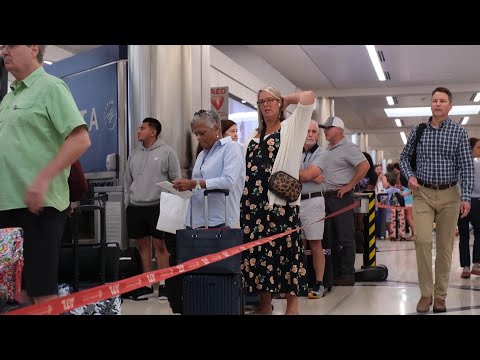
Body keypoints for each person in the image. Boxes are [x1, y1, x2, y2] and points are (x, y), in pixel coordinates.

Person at [0, 45, 91, 304]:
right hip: (7, 207)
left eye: (10, 45)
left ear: (33, 48)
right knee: (19, 294)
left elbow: (80, 140)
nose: (3, 51)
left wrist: (43, 178)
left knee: (42, 294)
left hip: (38, 208)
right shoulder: (8, 98)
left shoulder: (51, 87)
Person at [240, 86, 315, 315]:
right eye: (262, 101)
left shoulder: (290, 128)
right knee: (259, 256)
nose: (266, 105)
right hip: (253, 206)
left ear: (279, 104)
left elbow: (309, 97)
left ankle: (292, 306)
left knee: (287, 254)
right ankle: (265, 305)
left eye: (270, 100)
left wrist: (285, 99)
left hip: (280, 205)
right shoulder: (253, 135)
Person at [400, 86, 474, 313]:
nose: (438, 103)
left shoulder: (459, 133)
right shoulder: (418, 131)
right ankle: (425, 294)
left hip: (450, 195)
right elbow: (404, 158)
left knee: (444, 247)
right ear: (430, 105)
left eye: (442, 100)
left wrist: (467, 197)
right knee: (422, 240)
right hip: (422, 193)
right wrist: (410, 175)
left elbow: (466, 167)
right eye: (435, 100)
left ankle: (440, 296)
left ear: (450, 106)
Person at [124, 117, 181, 300]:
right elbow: (127, 180)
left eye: (142, 128)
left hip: (158, 205)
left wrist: (171, 207)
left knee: (160, 245)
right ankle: (147, 283)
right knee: (142, 245)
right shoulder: (134, 154)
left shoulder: (167, 152)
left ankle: (164, 283)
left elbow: (176, 180)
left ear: (153, 132)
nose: (138, 131)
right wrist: (127, 202)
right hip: (135, 205)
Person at [173, 110, 245, 229]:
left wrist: (194, 184)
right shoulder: (202, 154)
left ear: (216, 129)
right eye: (196, 134)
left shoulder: (232, 148)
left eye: (202, 133)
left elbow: (228, 181)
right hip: (197, 221)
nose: (198, 138)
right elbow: (197, 186)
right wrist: (183, 187)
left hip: (221, 221)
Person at [319, 116, 369, 286]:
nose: (325, 130)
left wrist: (349, 186)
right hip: (328, 197)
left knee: (345, 237)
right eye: (324, 128)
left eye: (328, 128)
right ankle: (336, 272)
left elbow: (364, 166)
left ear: (339, 130)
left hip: (341, 197)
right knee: (331, 237)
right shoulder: (328, 149)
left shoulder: (348, 148)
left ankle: (347, 274)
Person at [299, 120, 328, 299]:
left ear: (317, 135)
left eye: (313, 132)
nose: (310, 134)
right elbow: (308, 175)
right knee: (297, 246)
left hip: (313, 201)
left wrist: (307, 175)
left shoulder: (322, 153)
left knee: (315, 244)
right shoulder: (295, 152)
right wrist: (309, 175)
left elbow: (308, 174)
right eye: (307, 131)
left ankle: (319, 284)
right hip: (294, 202)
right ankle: (299, 282)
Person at [458, 137, 480, 278]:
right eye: (478, 147)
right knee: (479, 233)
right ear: (471, 149)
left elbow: (456, 185)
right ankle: (477, 263)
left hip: (460, 202)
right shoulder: (477, 165)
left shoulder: (458, 165)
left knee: (464, 235)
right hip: (476, 201)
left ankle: (465, 267)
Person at [61, 159, 88, 244]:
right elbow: (79, 184)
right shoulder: (65, 148)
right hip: (56, 214)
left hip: (20, 213)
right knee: (60, 253)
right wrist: (69, 200)